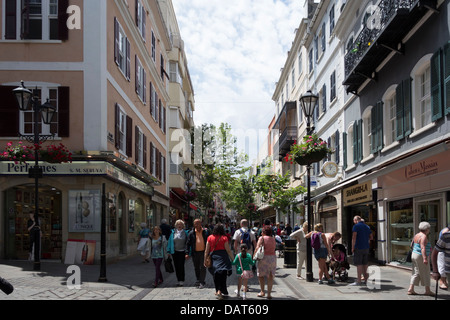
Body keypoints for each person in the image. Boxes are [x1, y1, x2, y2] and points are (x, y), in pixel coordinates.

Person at [204, 223, 234, 300]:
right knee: (223, 274)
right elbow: (228, 250)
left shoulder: (210, 237)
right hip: (223, 257)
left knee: (216, 274)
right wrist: (233, 259)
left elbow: (206, 251)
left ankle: (218, 290)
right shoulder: (224, 238)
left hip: (214, 257)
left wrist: (205, 260)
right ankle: (222, 290)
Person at [407, 222, 434, 296]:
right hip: (420, 256)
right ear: (427, 229)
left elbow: (411, 244)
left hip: (414, 254)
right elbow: (423, 247)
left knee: (416, 272)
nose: (429, 230)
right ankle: (427, 290)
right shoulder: (423, 236)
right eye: (429, 229)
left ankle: (411, 289)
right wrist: (425, 258)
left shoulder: (416, 235)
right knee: (425, 272)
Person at [253, 225, 277, 299]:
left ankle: (262, 291)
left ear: (263, 232)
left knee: (261, 275)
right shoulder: (273, 239)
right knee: (270, 276)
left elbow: (257, 248)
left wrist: (254, 256)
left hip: (263, 258)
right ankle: (269, 294)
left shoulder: (262, 238)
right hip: (272, 258)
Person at [186, 219, 209, 288]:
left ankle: (202, 281)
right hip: (195, 253)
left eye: (198, 223)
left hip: (203, 252)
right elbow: (188, 244)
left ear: (201, 224)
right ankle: (198, 280)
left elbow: (209, 241)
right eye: (195, 223)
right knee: (196, 267)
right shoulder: (191, 233)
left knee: (203, 267)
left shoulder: (205, 232)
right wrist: (187, 253)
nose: (196, 225)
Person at [351, 215, 373, 286]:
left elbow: (354, 237)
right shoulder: (367, 226)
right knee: (365, 264)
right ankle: (366, 280)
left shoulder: (356, 226)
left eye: (354, 221)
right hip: (366, 247)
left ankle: (359, 281)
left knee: (359, 264)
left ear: (355, 220)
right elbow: (371, 237)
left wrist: (352, 247)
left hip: (358, 247)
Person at [167, 219, 189, 287]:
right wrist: (168, 251)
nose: (179, 225)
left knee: (181, 266)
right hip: (175, 252)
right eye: (178, 224)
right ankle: (178, 280)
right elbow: (170, 242)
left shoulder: (185, 233)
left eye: (181, 224)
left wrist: (187, 252)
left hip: (182, 252)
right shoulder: (173, 233)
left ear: (183, 226)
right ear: (176, 225)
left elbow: (187, 243)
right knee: (176, 266)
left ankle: (182, 280)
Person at [431, 225, 450, 290]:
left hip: (443, 251)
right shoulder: (446, 234)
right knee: (442, 267)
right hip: (442, 251)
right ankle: (442, 282)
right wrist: (435, 271)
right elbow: (434, 253)